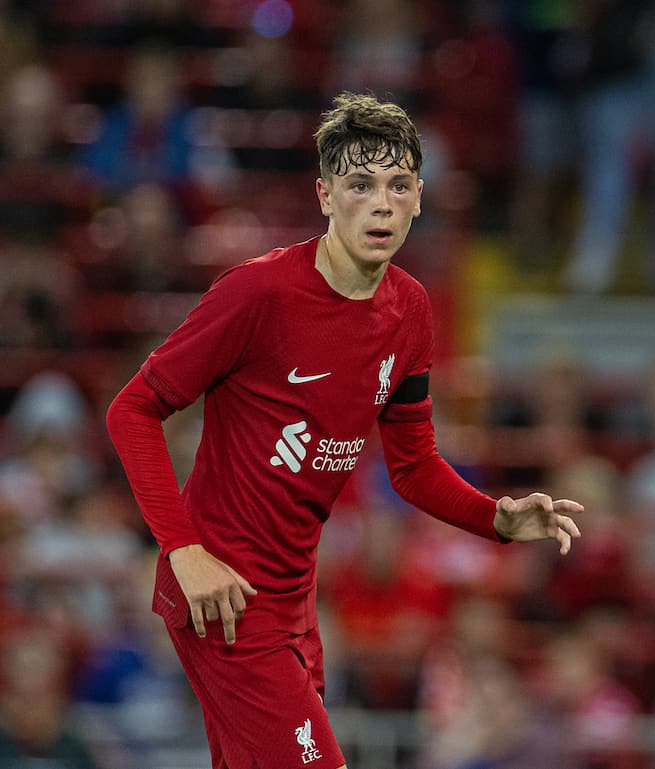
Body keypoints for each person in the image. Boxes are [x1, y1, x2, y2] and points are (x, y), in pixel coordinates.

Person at [105, 92, 584, 769]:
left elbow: (412, 467)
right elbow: (131, 409)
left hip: (297, 604)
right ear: (326, 195)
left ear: (419, 197)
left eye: (397, 185)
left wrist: (496, 520)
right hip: (226, 601)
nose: (380, 203)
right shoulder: (258, 294)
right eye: (360, 184)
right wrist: (183, 551)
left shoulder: (411, 310)